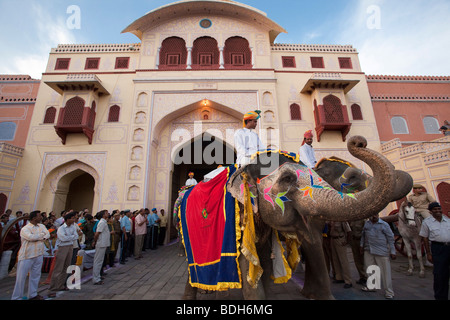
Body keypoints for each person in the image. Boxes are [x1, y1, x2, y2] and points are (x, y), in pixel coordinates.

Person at [11, 210, 50, 300]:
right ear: (34, 218)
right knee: (21, 277)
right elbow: (31, 238)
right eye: (39, 216)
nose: (41, 217)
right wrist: (42, 236)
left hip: (39, 254)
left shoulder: (42, 226)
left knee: (36, 276)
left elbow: (47, 234)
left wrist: (40, 236)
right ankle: (17, 297)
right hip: (27, 255)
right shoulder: (25, 228)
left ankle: (33, 294)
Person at [360, 213, 396, 299]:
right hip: (369, 250)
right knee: (370, 268)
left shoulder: (384, 225)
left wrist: (393, 251)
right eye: (372, 215)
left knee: (385, 272)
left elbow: (390, 238)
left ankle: (389, 292)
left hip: (381, 251)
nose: (374, 216)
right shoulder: (367, 224)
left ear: (378, 215)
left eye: (375, 214)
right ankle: (372, 286)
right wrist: (361, 246)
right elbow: (363, 236)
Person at [419, 202, 450, 300]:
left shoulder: (447, 220)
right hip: (438, 248)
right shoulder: (427, 222)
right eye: (435, 209)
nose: (437, 211)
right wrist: (428, 253)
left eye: (439, 209)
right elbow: (424, 238)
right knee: (440, 275)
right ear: (430, 211)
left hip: (449, 247)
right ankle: (441, 297)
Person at [48, 211, 82, 298]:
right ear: (67, 219)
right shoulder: (61, 228)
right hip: (62, 247)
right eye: (73, 218)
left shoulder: (72, 227)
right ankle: (53, 288)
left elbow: (76, 236)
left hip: (70, 246)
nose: (74, 219)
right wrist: (71, 237)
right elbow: (63, 238)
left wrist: (70, 237)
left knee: (66, 267)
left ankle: (61, 285)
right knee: (58, 268)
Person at [330, 221, 353, 288]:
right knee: (335, 259)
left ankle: (348, 280)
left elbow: (349, 231)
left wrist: (347, 242)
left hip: (340, 239)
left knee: (343, 260)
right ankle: (339, 277)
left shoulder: (342, 220)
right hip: (333, 240)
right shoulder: (332, 219)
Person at [92, 210, 111, 285]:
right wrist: (95, 241)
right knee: (98, 261)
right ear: (103, 215)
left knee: (100, 261)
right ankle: (96, 278)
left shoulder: (104, 222)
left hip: (103, 244)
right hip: (100, 243)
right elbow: (97, 233)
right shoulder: (102, 222)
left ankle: (98, 276)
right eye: (106, 213)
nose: (108, 214)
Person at [350, 219, 368, 285]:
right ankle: (362, 276)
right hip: (354, 241)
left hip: (360, 241)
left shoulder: (363, 220)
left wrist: (363, 244)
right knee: (357, 259)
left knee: (363, 259)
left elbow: (365, 232)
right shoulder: (352, 219)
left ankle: (366, 276)